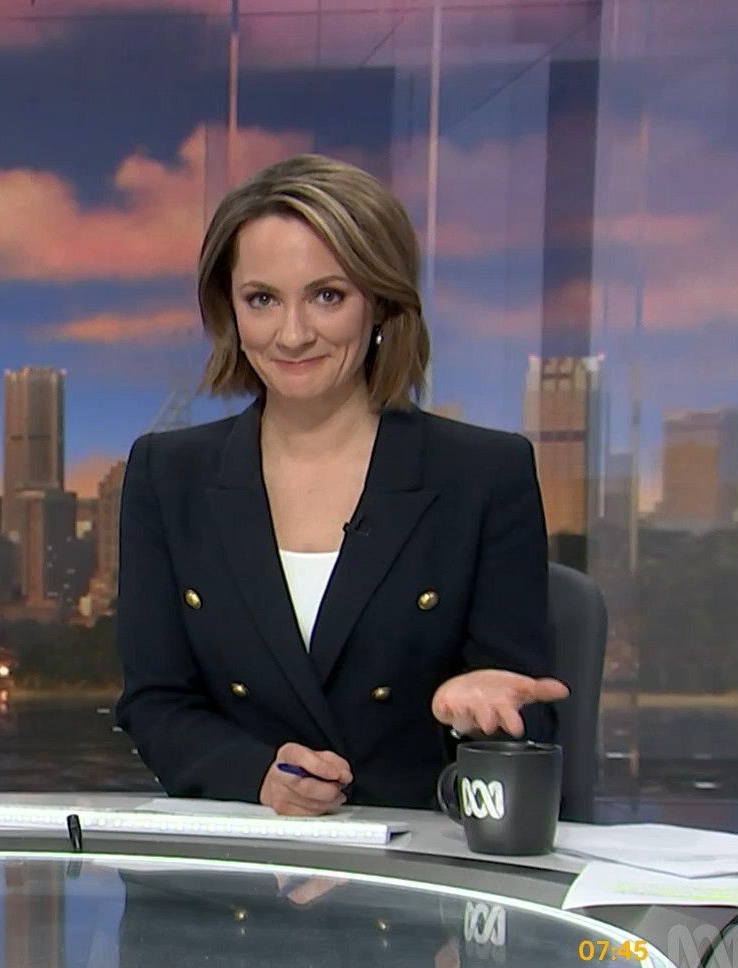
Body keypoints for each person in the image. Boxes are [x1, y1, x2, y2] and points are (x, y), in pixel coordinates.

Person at [114, 154, 566, 814]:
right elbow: (155, 701)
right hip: (239, 850)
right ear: (229, 310)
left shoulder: (484, 474)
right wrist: (259, 777)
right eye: (262, 299)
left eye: (327, 296)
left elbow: (533, 711)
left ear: (379, 302)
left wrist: (480, 715)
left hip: (416, 849)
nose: (293, 334)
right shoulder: (167, 474)